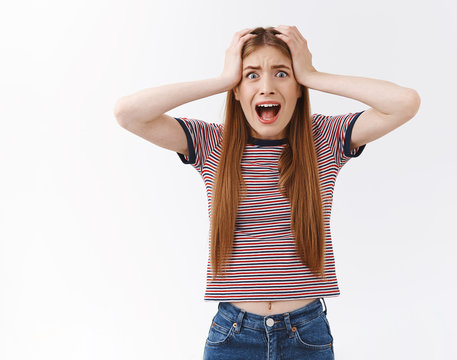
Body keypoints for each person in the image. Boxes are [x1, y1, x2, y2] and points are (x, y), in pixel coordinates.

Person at [114, 25, 420, 360]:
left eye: (281, 74)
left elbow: (404, 103)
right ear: (237, 89)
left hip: (306, 334)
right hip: (232, 334)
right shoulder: (212, 143)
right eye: (251, 75)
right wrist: (222, 80)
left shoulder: (325, 139)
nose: (267, 87)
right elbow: (128, 114)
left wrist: (312, 75)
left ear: (299, 87)